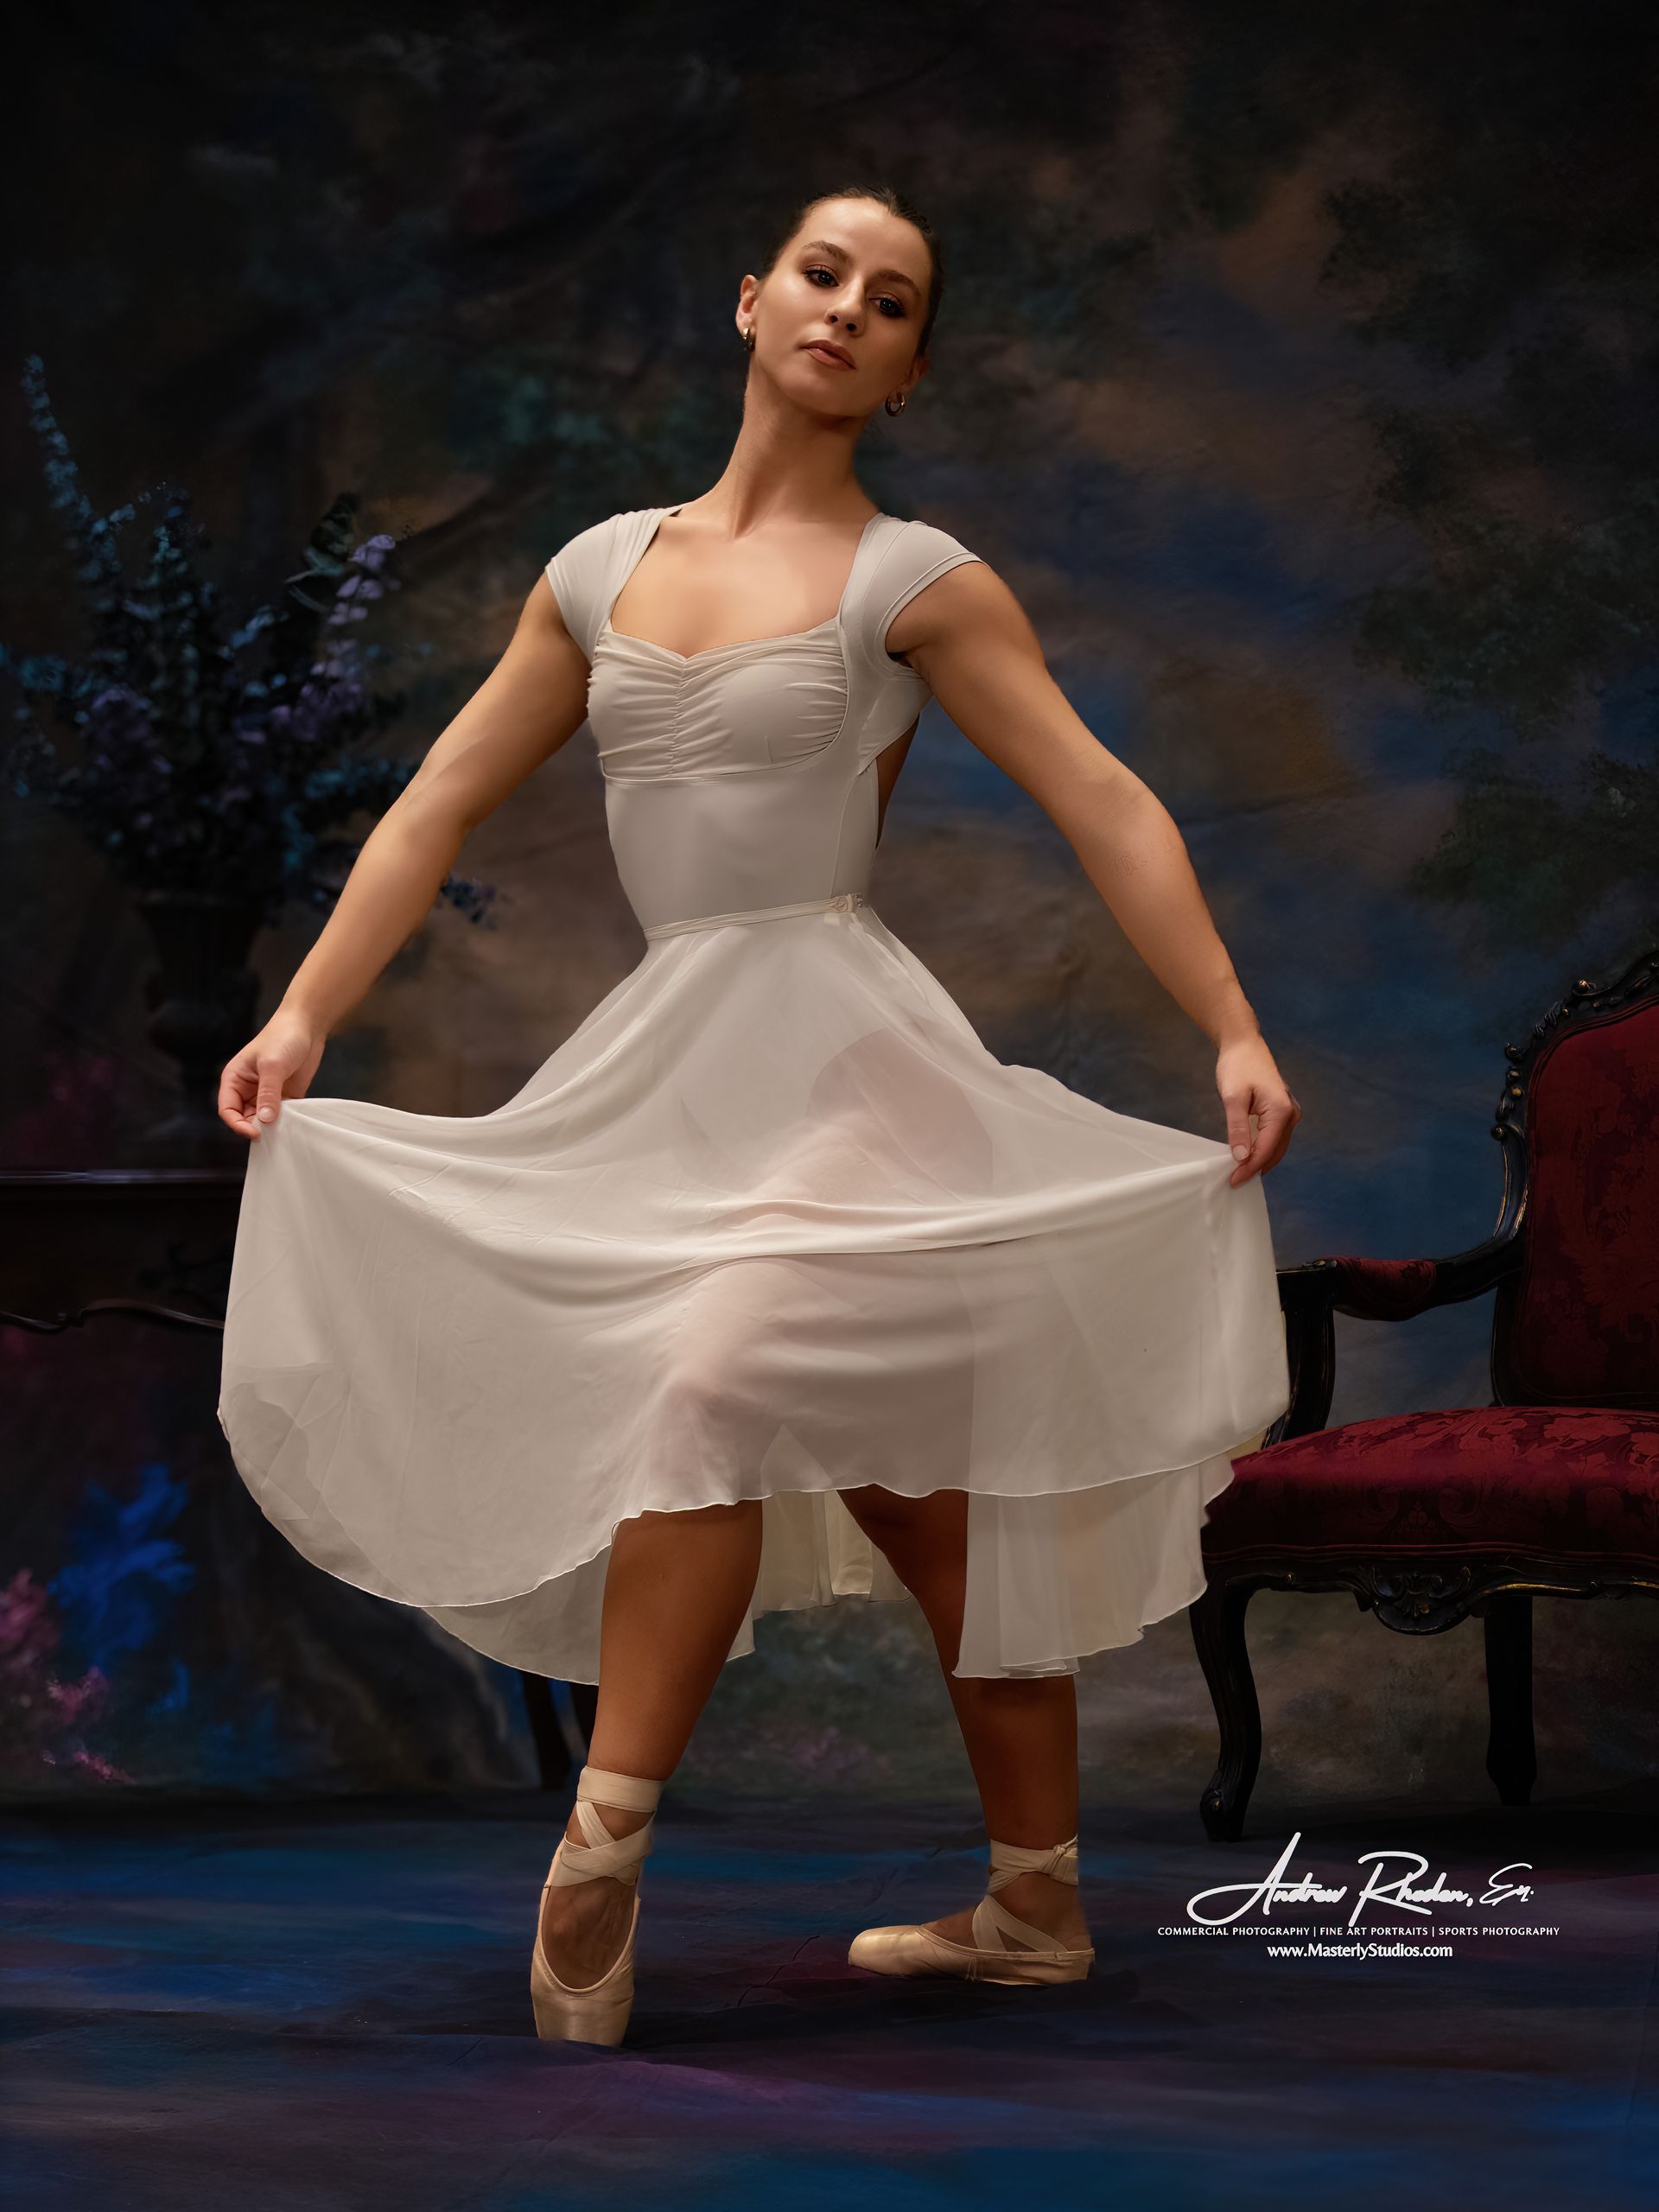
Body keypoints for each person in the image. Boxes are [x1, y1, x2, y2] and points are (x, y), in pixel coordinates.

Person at [216, 183, 1299, 2050]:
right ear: (750, 301)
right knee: (932, 1501)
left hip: (853, 1065)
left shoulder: (915, 580)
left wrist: (1234, 1025)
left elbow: (1105, 797)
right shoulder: (597, 571)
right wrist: (304, 1009)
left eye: (892, 302)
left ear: (907, 371)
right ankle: (1035, 1901)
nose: (848, 310)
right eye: (822, 273)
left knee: (710, 1390)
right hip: (677, 1062)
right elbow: (438, 801)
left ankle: (601, 1848)